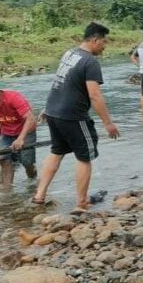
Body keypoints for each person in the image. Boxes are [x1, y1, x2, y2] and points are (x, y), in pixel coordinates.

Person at [34, 22, 119, 210]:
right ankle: (81, 202)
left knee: (57, 151)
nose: (105, 46)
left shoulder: (69, 54)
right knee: (84, 157)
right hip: (73, 116)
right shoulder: (90, 62)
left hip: (53, 112)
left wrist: (46, 108)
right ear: (95, 40)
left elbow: (58, 82)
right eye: (104, 42)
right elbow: (95, 95)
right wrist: (108, 123)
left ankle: (39, 195)